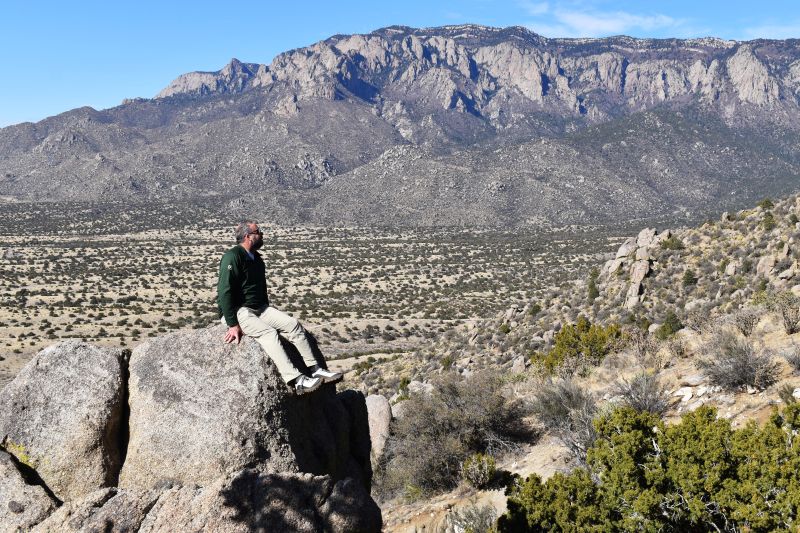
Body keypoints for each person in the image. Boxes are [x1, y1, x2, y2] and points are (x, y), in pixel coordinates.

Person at [217, 221, 342, 394]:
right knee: (269, 333)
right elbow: (224, 291)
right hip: (240, 311)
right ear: (247, 236)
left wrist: (267, 310)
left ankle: (315, 369)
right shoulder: (233, 256)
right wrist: (232, 324)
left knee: (293, 324)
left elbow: (260, 289)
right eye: (258, 232)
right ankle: (297, 380)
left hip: (260, 308)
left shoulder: (257, 259)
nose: (261, 234)